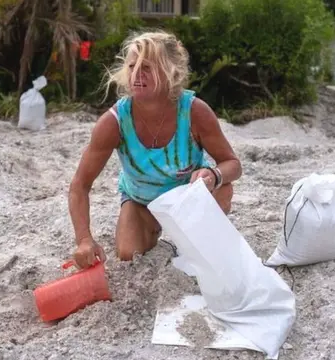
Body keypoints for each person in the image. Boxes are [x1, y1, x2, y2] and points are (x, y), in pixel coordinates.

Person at [68, 30, 242, 269]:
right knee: (128, 253)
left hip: (189, 200)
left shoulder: (194, 112)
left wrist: (213, 175)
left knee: (223, 191)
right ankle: (158, 232)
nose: (137, 74)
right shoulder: (114, 122)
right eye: (132, 66)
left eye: (147, 67)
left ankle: (193, 238)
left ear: (171, 72)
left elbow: (233, 165)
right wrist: (84, 240)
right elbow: (79, 185)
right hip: (142, 201)